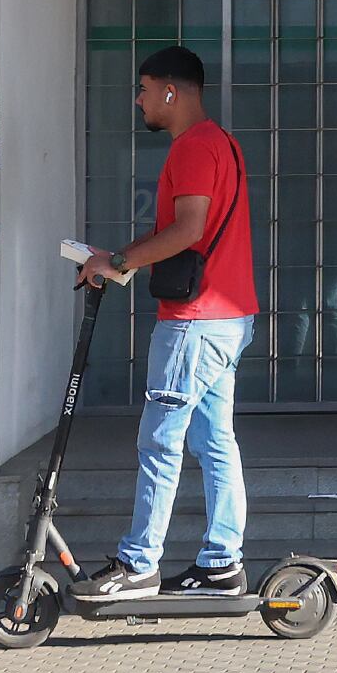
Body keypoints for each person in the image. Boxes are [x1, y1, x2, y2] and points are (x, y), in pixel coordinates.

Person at [74, 45, 257, 598]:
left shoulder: (194, 147)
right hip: (227, 315)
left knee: (160, 440)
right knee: (214, 440)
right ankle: (222, 564)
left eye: (145, 88)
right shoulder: (223, 143)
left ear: (171, 92)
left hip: (195, 320)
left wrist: (120, 261)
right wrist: (119, 257)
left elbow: (188, 231)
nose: (139, 99)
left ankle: (139, 564)